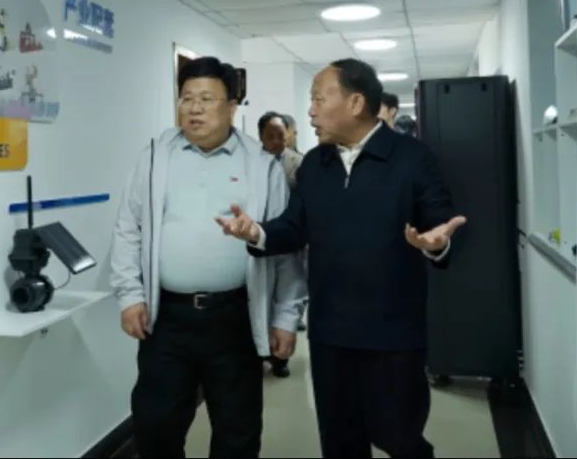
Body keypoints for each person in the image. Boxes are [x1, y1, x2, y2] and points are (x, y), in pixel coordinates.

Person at [217, 59, 467, 459]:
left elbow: (441, 222)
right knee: (340, 442)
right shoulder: (316, 165)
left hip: (393, 333)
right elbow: (294, 227)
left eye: (319, 99)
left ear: (355, 103)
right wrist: (257, 232)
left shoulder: (411, 157)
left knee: (400, 439)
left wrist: (435, 242)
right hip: (331, 332)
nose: (310, 111)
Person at [111, 57, 307, 458]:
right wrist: (130, 295)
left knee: (238, 431)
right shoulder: (155, 156)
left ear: (232, 106)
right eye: (186, 98)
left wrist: (286, 317)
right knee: (155, 427)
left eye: (206, 98)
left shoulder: (262, 166)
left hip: (234, 318)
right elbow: (128, 228)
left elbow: (284, 247)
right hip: (167, 319)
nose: (194, 108)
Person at [256, 112, 307, 378]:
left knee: (286, 293)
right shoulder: (252, 165)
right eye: (271, 136)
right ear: (261, 137)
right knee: (262, 298)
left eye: (281, 135)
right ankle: (263, 349)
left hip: (289, 237)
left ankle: (279, 358)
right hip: (259, 237)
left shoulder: (298, 162)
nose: (277, 140)